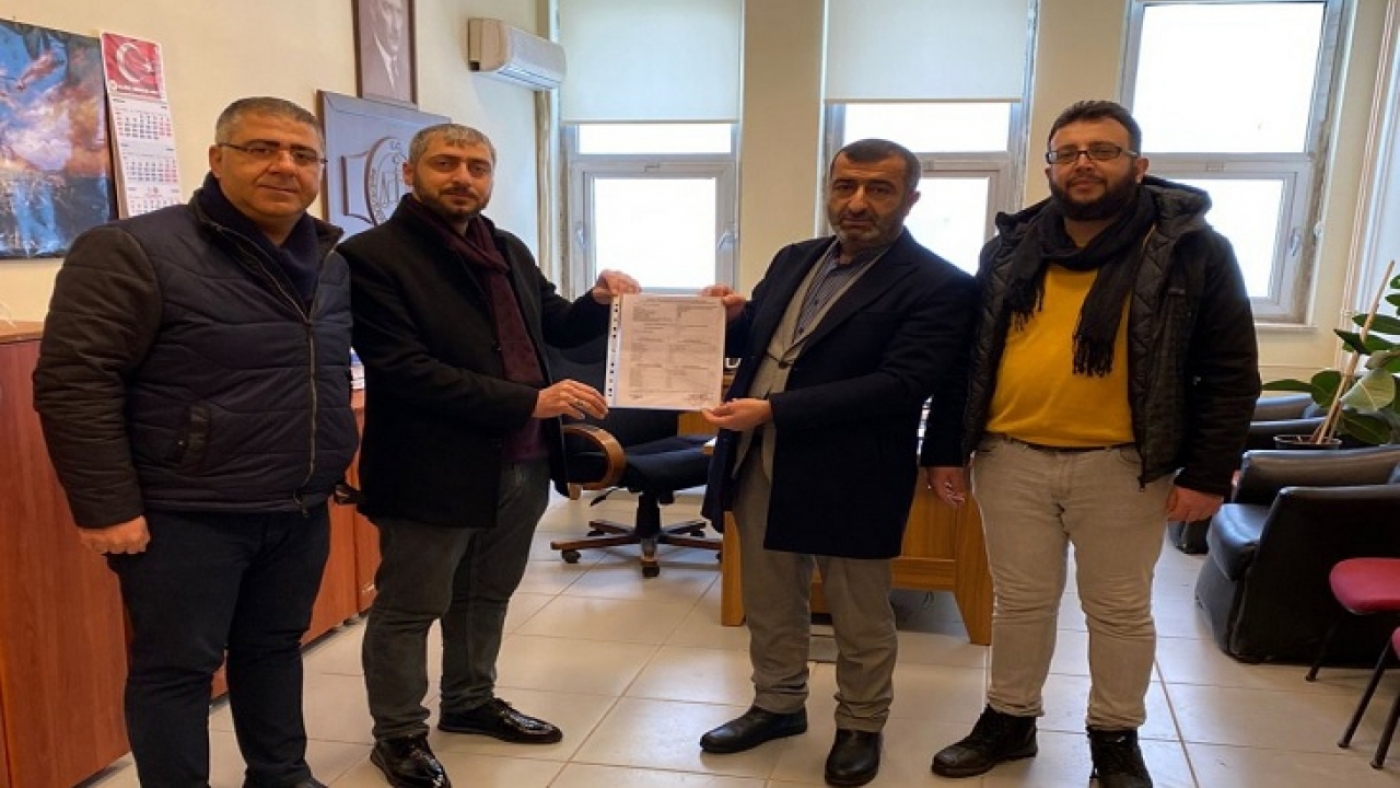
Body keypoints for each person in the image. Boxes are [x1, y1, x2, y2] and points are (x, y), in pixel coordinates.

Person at [922, 100, 1260, 788]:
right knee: (1020, 602)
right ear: (1049, 167)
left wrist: (1207, 471)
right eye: (1068, 152)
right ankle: (1010, 719)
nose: (1084, 163)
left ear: (1138, 164)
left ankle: (1115, 737)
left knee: (1119, 610)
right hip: (1010, 456)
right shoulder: (1010, 249)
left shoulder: (1194, 249)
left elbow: (1230, 370)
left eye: (1103, 150)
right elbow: (970, 356)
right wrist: (944, 448)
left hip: (1125, 466)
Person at [33, 96, 357, 788]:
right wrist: (106, 506)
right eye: (261, 149)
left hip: (296, 504)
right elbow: (75, 382)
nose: (285, 166)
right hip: (187, 510)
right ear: (217, 158)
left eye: (303, 155)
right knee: (177, 669)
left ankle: (282, 776)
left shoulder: (329, 258)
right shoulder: (133, 249)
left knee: (274, 647)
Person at [339, 123, 641, 788]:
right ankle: (399, 735)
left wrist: (596, 303)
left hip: (523, 460)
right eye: (446, 163)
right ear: (411, 173)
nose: (463, 177)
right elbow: (403, 368)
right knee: (411, 605)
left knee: (487, 593)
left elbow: (553, 325)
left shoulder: (504, 248)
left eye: (477, 166)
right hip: (431, 466)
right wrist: (528, 401)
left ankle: (470, 701)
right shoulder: (371, 256)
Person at [697, 138, 977, 788]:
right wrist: (733, 318)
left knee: (859, 610)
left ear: (910, 199)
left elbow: (901, 384)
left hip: (853, 468)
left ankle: (861, 723)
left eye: (879, 189)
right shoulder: (795, 258)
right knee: (770, 596)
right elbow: (765, 340)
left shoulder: (940, 284)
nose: (857, 202)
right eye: (845, 185)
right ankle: (777, 704)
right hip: (758, 457)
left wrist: (774, 410)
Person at [360, 0, 411, 102]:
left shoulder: (405, 73)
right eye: (388, 10)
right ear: (374, 11)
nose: (396, 27)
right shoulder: (365, 64)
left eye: (399, 13)